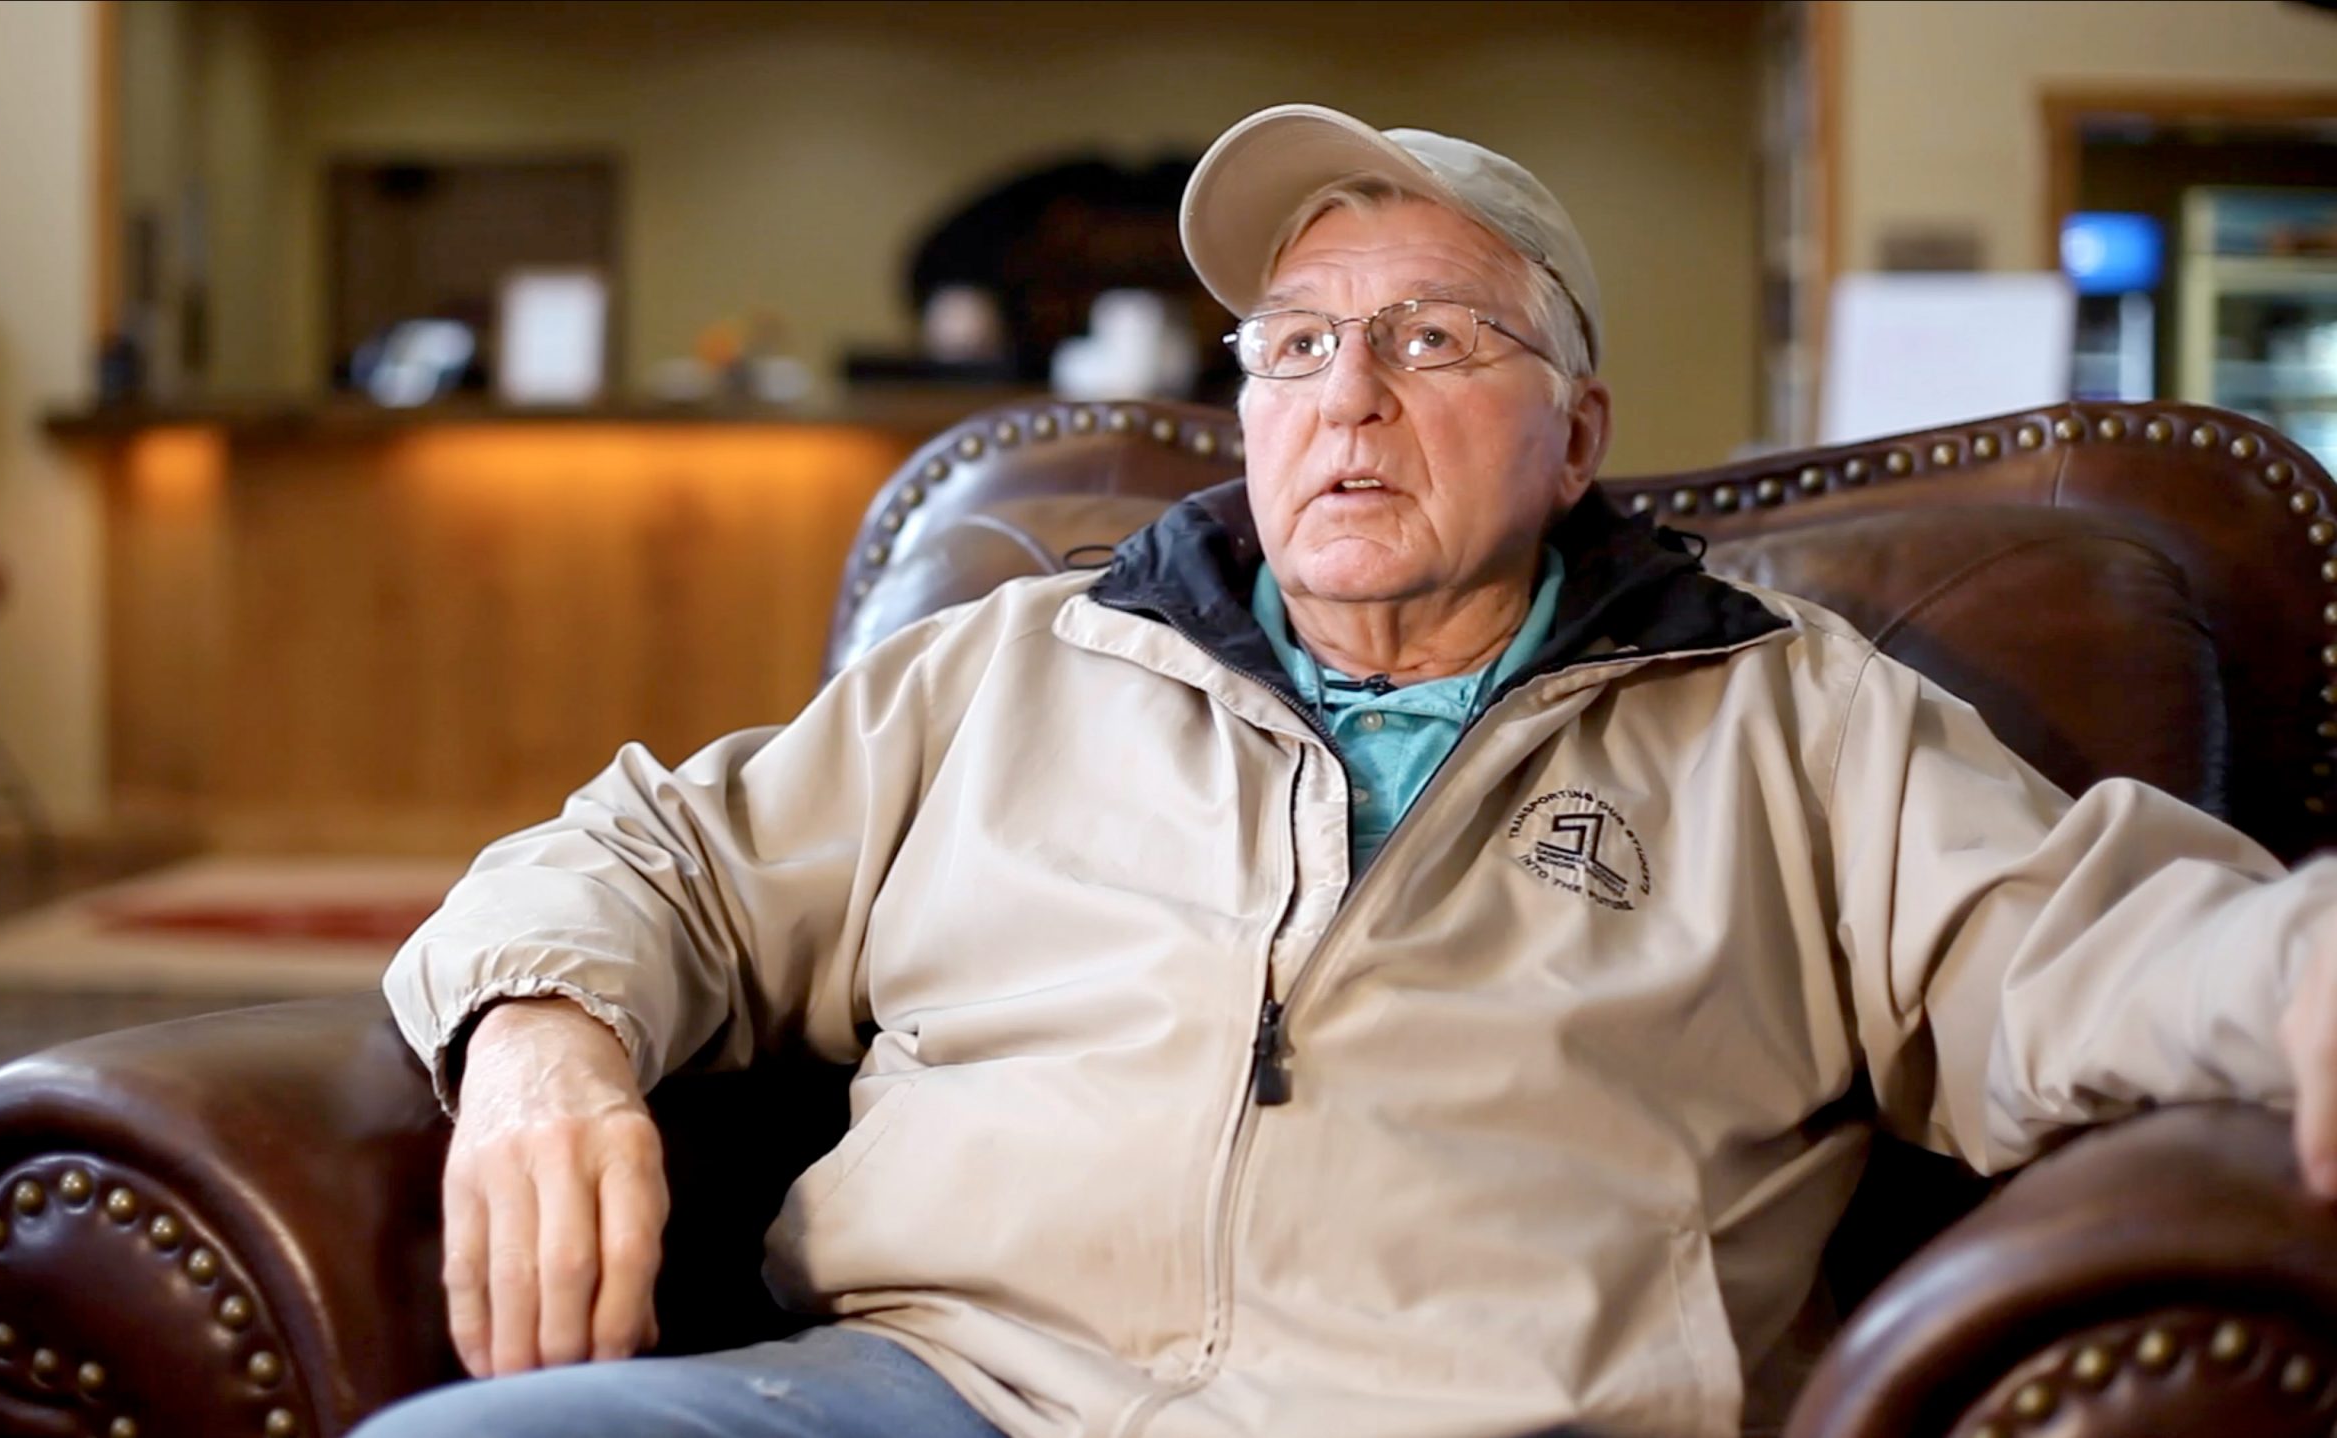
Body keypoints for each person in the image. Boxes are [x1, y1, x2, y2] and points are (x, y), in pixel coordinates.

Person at [362, 103, 2337, 1438]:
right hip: (931, 1389)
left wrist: (2304, 966)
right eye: (1292, 346)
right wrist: (540, 1035)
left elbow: (2087, 947)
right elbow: (651, 854)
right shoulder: (1011, 665)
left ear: (1575, 433)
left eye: (1430, 338)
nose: (1348, 399)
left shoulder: (1788, 718)